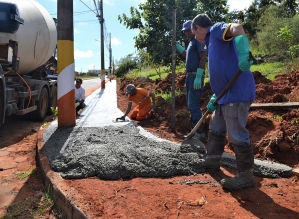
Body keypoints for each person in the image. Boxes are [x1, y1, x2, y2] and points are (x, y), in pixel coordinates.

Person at [191, 14, 256, 191]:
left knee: (236, 134)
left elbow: (238, 27)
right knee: (216, 128)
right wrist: (215, 95)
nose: (196, 37)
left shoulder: (216, 30)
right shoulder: (211, 41)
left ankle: (246, 175)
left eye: (194, 33)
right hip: (223, 95)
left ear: (198, 28)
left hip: (237, 92)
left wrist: (244, 53)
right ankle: (211, 162)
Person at [176, 20, 207, 142]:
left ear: (194, 29)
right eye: (185, 32)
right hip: (190, 77)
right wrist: (178, 47)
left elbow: (203, 57)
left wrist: (199, 75)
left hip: (195, 76)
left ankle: (200, 133)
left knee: (194, 105)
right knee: (190, 105)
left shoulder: (199, 40)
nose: (187, 33)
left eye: (189, 30)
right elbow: (187, 55)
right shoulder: (191, 43)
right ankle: (194, 132)